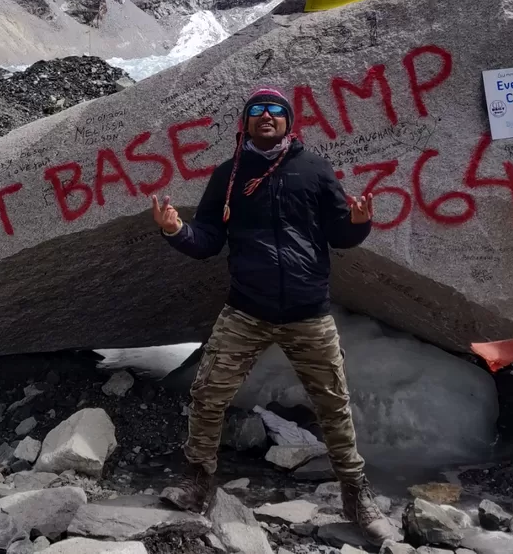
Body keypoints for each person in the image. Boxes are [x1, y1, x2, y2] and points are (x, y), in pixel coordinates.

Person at [151, 87, 400, 543]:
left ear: (289, 122)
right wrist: (176, 231)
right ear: (245, 124)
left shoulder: (314, 169)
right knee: (208, 393)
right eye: (257, 111)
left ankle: (355, 494)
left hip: (308, 312)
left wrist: (359, 222)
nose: (267, 116)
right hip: (246, 309)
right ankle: (197, 480)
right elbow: (207, 238)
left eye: (276, 111)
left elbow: (339, 234)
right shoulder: (228, 175)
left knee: (333, 406)